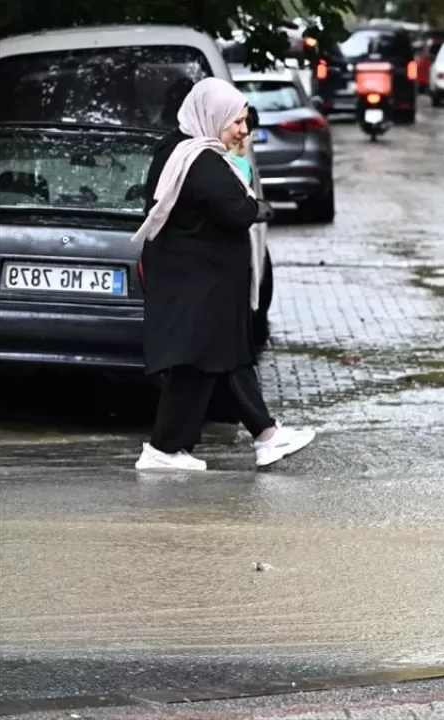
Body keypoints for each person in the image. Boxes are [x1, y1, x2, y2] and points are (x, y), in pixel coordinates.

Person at [133, 77, 315, 471]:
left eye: (245, 122)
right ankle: (181, 447)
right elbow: (238, 210)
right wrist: (257, 202)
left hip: (197, 280)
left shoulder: (176, 150)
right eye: (236, 122)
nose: (243, 131)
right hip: (201, 282)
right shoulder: (201, 160)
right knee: (209, 359)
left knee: (215, 359)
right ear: (212, 116)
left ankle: (175, 448)